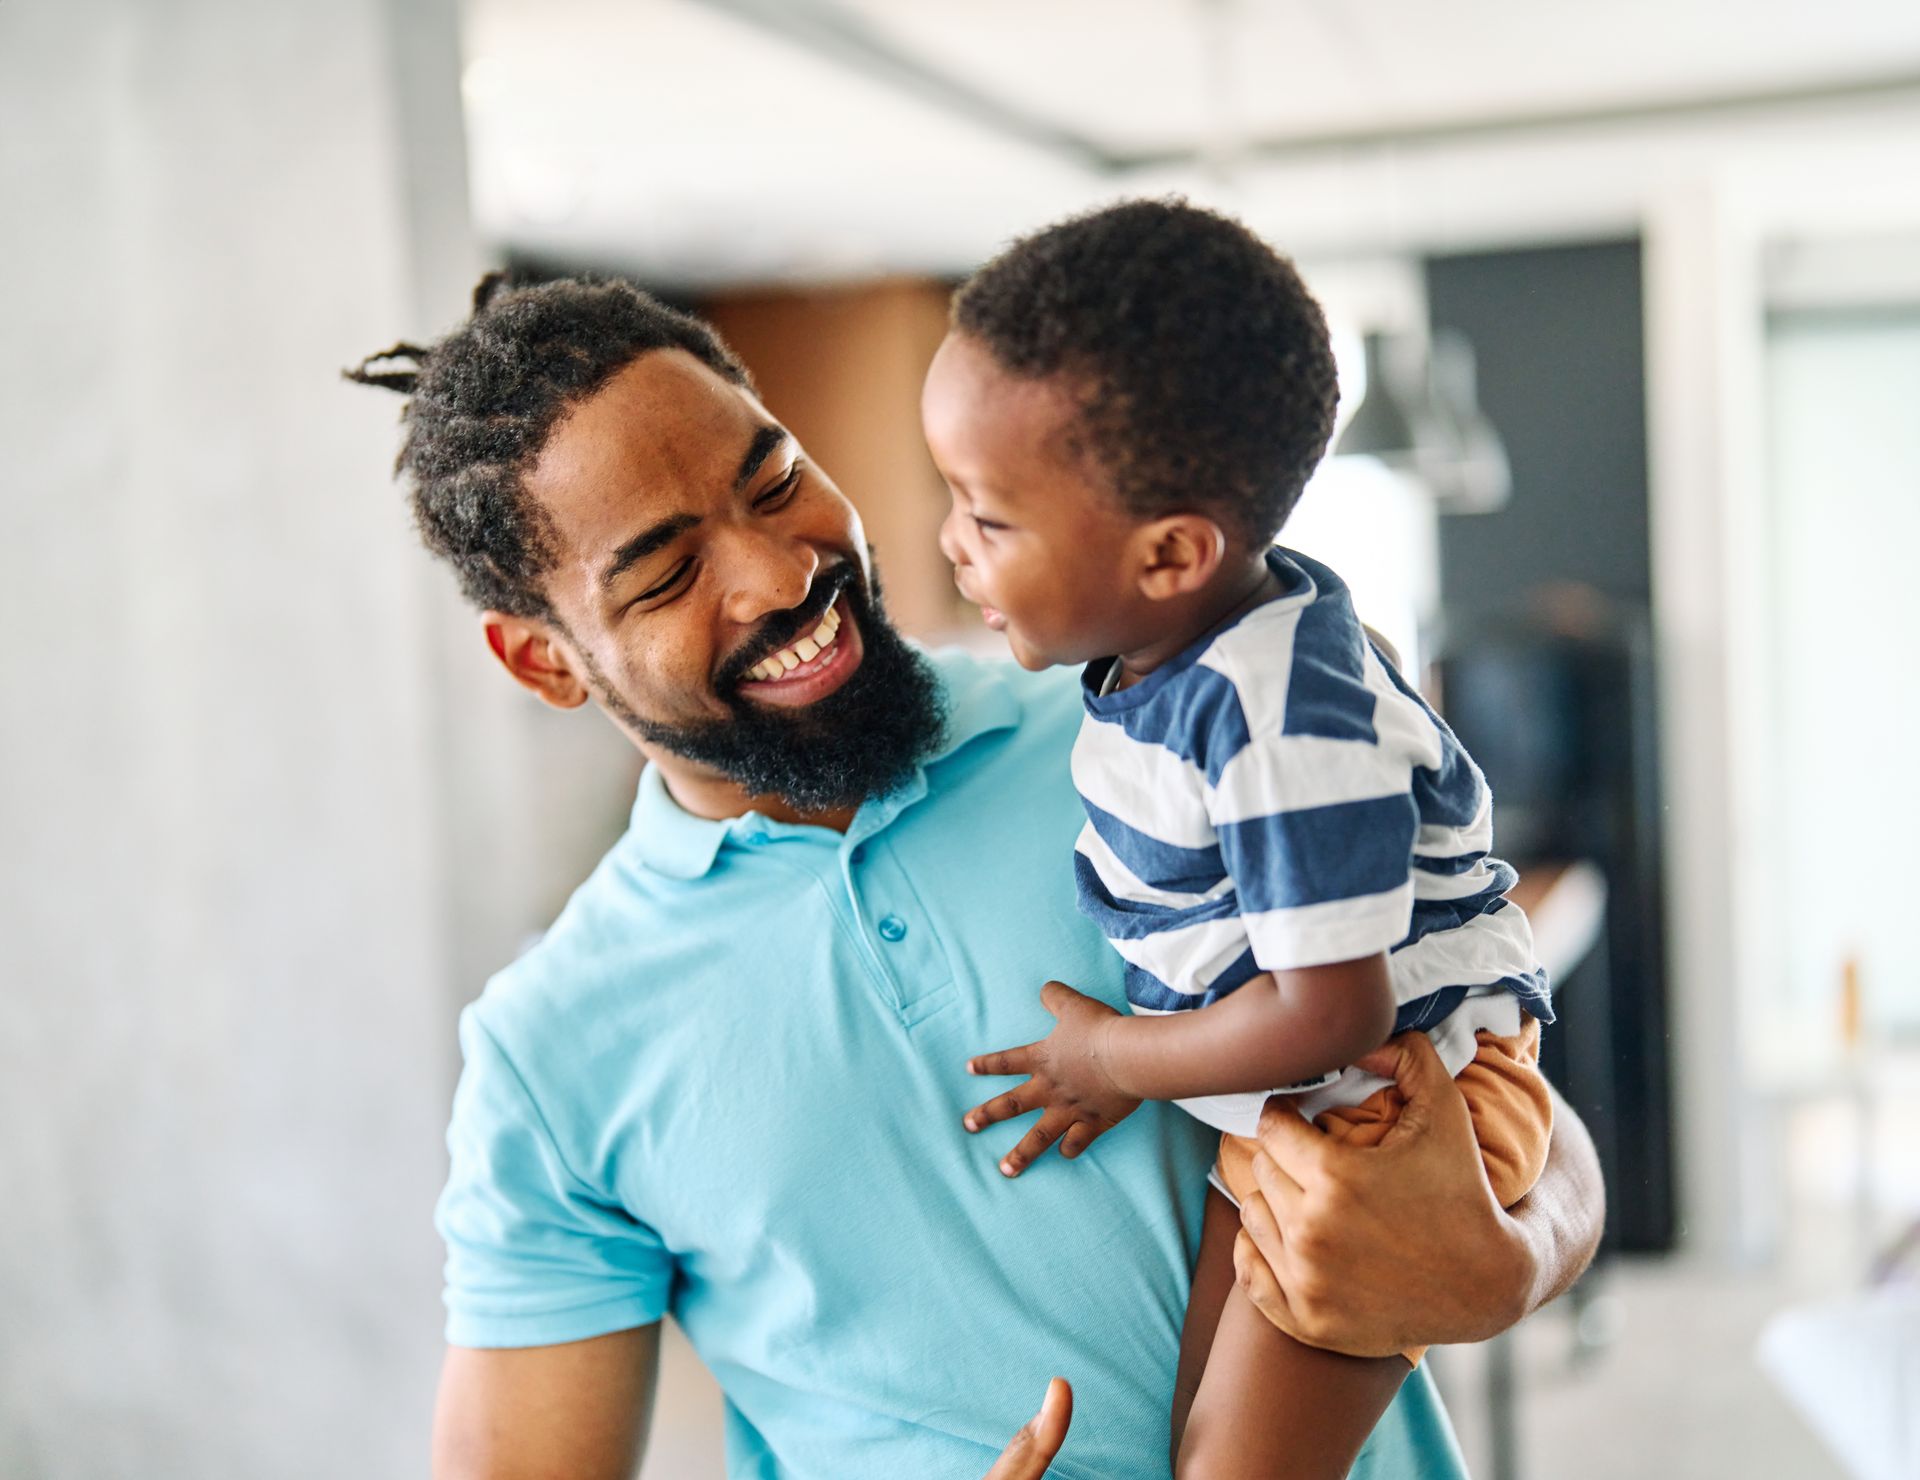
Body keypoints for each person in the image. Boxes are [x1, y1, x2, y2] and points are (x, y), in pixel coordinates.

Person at [346, 270, 1604, 1480]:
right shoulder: (552, 1053)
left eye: (776, 478)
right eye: (669, 573)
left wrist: (1511, 1255)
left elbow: (1487, 1069)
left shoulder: (1155, 722)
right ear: (544, 661)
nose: (784, 574)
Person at [925, 199, 1557, 1479]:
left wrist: (1112, 1055)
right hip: (1312, 1104)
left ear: (1169, 554)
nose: (951, 544)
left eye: (987, 516)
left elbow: (1331, 1008)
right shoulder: (1178, 652)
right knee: (1197, 1449)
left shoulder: (1277, 714)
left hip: (1396, 1108)